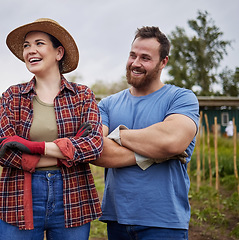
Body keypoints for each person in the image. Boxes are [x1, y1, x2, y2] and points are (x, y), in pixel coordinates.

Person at [0, 18, 103, 240]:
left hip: (72, 197)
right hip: (20, 197)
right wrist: (68, 154)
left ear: (58, 53)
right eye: (26, 45)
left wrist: (33, 147)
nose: (30, 50)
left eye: (39, 43)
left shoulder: (82, 95)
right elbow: (5, 151)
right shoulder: (13, 96)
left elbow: (93, 146)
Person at [92, 26, 200, 239]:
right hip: (117, 220)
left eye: (145, 58)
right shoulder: (107, 104)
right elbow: (96, 150)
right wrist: (156, 152)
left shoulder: (181, 99)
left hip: (164, 222)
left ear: (163, 62)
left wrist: (117, 135)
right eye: (132, 55)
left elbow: (172, 141)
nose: (136, 63)